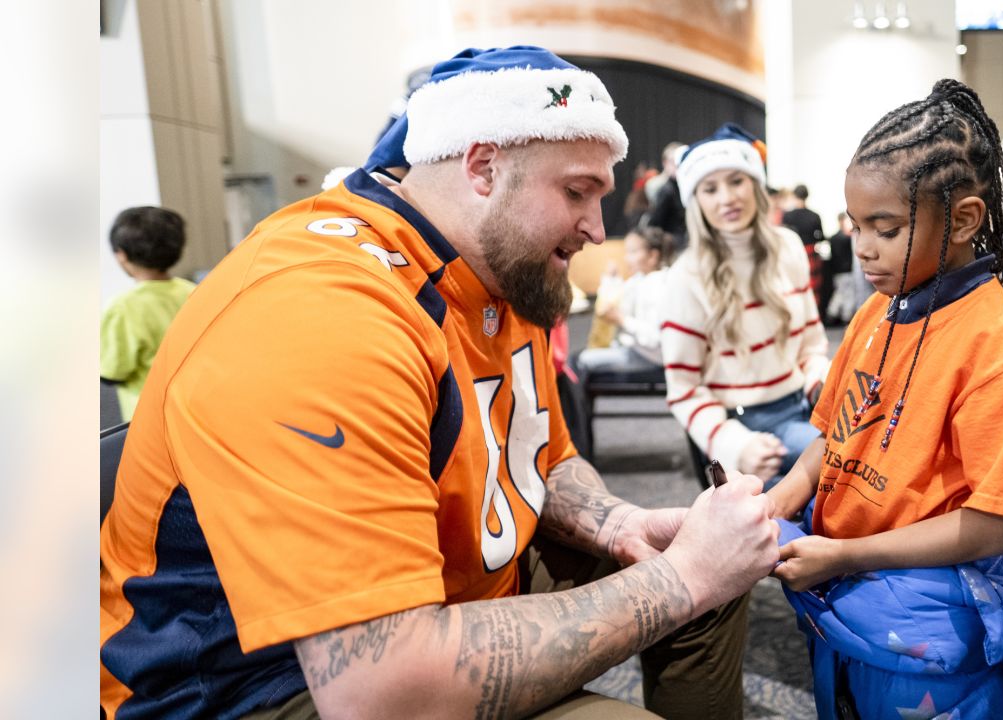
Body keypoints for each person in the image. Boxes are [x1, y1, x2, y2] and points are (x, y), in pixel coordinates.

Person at [100, 46, 780, 720]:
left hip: (436, 586)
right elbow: (383, 695)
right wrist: (679, 579)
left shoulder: (501, 264)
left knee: (712, 576)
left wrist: (621, 524)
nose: (598, 230)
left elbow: (540, 455)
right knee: (691, 585)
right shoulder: (323, 313)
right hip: (255, 681)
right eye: (576, 192)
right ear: (482, 166)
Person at [766, 79, 1003, 719]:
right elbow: (831, 436)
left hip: (932, 620)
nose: (862, 247)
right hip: (850, 594)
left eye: (886, 227)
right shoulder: (877, 312)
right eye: (855, 225)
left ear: (964, 219)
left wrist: (846, 554)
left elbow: (1000, 523)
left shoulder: (1002, 346)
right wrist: (771, 505)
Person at [661, 123, 830, 490]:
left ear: (755, 184)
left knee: (867, 479)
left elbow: (812, 346)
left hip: (806, 410)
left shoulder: (787, 248)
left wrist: (824, 382)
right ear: (696, 200)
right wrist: (732, 442)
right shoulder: (686, 276)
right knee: (824, 502)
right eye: (710, 188)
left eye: (737, 181)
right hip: (744, 430)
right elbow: (683, 388)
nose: (726, 198)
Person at [99, 206, 196, 423]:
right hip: (194, 410)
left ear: (121, 255)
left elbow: (113, 370)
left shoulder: (123, 307)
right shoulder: (194, 292)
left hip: (148, 419)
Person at [574, 226, 674, 379]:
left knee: (579, 362)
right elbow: (617, 297)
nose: (627, 258)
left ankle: (575, 404)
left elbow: (655, 339)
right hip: (637, 350)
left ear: (653, 256)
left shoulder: (659, 285)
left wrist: (621, 320)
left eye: (633, 252)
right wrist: (611, 279)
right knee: (578, 357)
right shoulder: (640, 280)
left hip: (650, 357)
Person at [781, 184, 826, 309]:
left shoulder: (787, 216)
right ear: (807, 196)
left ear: (795, 196)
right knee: (813, 287)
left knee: (795, 283)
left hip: (793, 253)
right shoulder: (814, 216)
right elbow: (821, 237)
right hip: (810, 252)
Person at [640, 141, 689, 254]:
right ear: (665, 163)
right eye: (673, 161)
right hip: (674, 247)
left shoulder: (686, 186)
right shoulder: (663, 189)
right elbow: (653, 222)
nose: (677, 165)